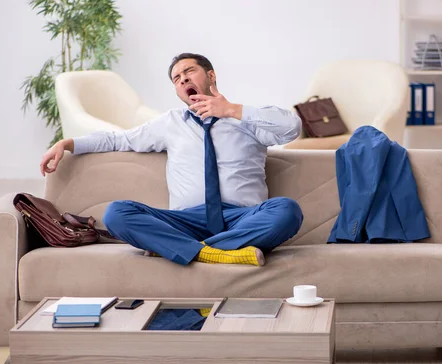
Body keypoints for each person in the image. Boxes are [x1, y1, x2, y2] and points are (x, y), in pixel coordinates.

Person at [39, 53, 304, 267]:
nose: (182, 79)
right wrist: (69, 143)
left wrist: (231, 110)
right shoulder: (170, 124)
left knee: (286, 211)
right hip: (185, 222)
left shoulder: (244, 120)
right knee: (117, 213)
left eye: (189, 72)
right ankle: (221, 252)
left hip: (242, 218)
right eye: (176, 78)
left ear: (210, 75)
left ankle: (181, 251)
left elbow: (291, 127)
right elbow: (119, 139)